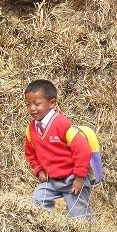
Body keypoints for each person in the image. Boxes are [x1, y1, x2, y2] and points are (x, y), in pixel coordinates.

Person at [23, 79, 94, 220]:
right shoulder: (31, 130)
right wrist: (39, 169)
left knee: (78, 214)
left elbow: (83, 149)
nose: (32, 108)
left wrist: (79, 177)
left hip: (73, 178)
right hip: (52, 180)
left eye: (37, 104)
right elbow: (30, 153)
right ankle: (47, 227)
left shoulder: (62, 124)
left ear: (52, 103)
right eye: (28, 104)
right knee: (38, 199)